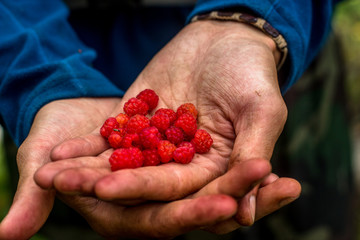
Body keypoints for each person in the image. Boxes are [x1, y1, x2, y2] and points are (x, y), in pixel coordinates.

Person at [0, 0, 341, 239]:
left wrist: (247, 17)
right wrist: (45, 80)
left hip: (278, 53)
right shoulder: (140, 128)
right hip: (61, 54)